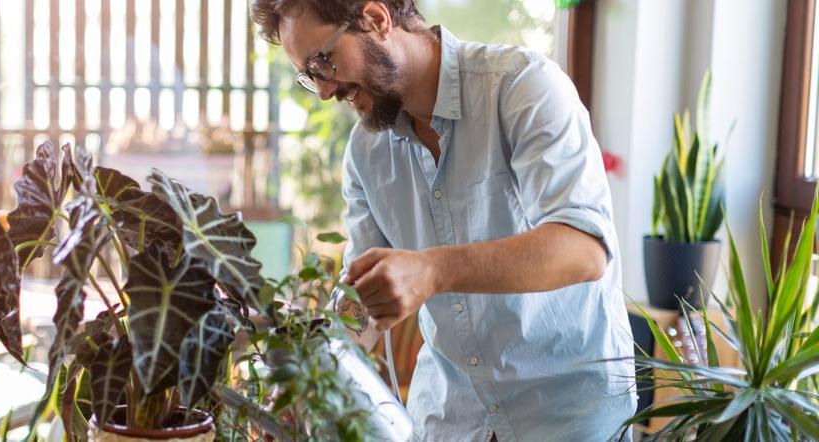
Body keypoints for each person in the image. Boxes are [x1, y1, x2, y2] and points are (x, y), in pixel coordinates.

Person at [250, 1, 637, 440]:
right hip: (449, 422)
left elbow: (583, 250)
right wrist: (305, 379)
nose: (323, 91)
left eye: (323, 62)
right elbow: (363, 302)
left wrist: (431, 270)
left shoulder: (522, 86)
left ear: (376, 19)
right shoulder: (365, 152)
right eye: (309, 76)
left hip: (565, 420)